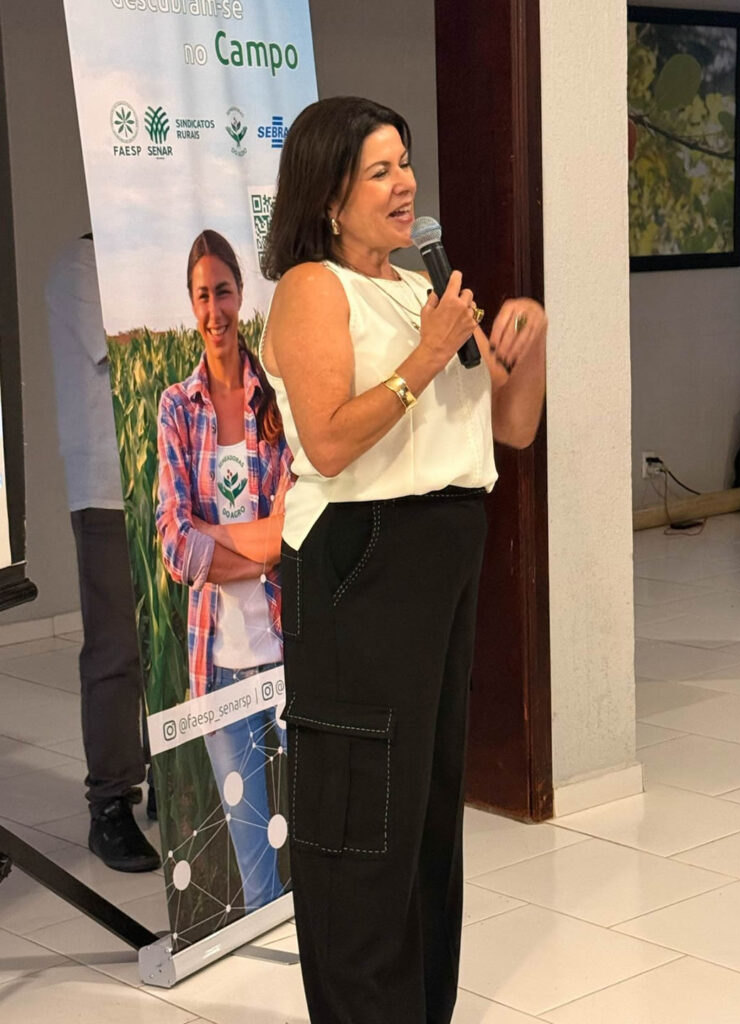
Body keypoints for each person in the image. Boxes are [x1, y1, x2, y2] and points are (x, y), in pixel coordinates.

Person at [260, 96, 547, 1023]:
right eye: (379, 171)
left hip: (441, 557)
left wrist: (531, 341)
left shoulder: (427, 285)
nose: (405, 184)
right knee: (364, 817)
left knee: (424, 810)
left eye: (406, 164)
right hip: (361, 561)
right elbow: (329, 441)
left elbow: (511, 425)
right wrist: (425, 356)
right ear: (329, 197)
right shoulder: (314, 287)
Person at [156, 229, 292, 913]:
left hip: (288, 654)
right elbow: (173, 543)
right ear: (192, 304)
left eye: (226, 292)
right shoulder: (177, 407)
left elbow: (295, 526)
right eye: (203, 296)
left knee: (321, 840)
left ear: (243, 296)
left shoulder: (277, 398)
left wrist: (213, 537)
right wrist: (259, 547)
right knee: (257, 874)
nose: (216, 310)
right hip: (216, 669)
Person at [46, 233, 160, 872]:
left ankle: (174, 774)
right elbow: (133, 351)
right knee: (118, 649)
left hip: (175, 484)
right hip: (109, 487)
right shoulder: (79, 265)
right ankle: (111, 802)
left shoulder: (153, 258)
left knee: (176, 641)